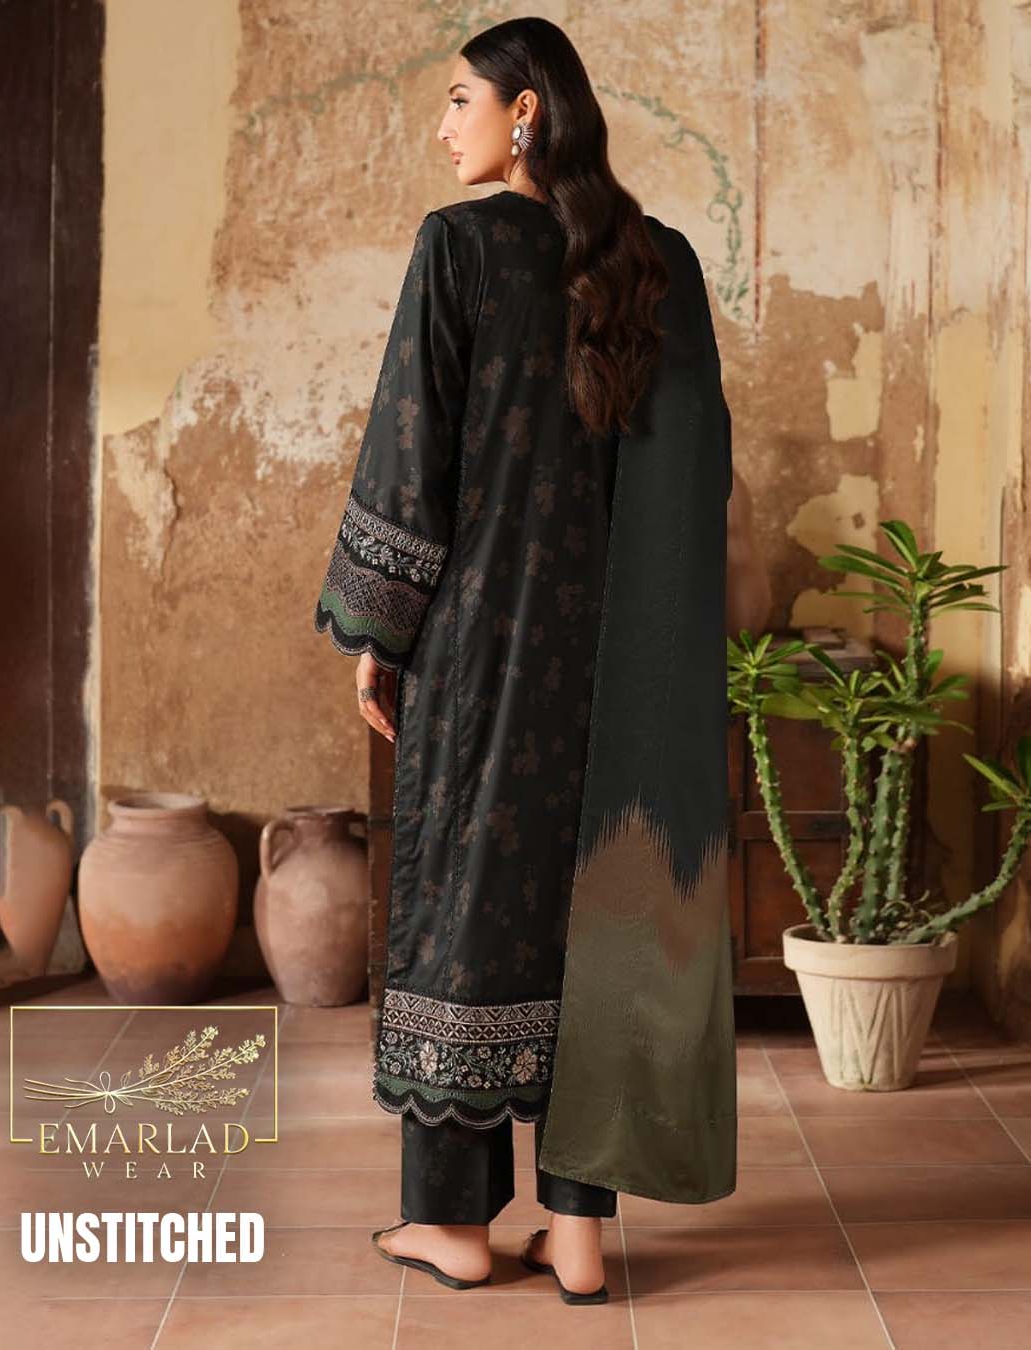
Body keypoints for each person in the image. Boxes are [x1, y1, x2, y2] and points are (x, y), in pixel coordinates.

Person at [314, 17, 737, 1303]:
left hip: (484, 646)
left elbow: (411, 454)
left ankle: (451, 1223)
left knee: (464, 902)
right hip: (616, 661)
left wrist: (378, 634)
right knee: (589, 915)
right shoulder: (656, 263)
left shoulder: (460, 247)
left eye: (461, 100)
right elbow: (699, 473)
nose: (443, 126)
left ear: (526, 113)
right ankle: (578, 1233)